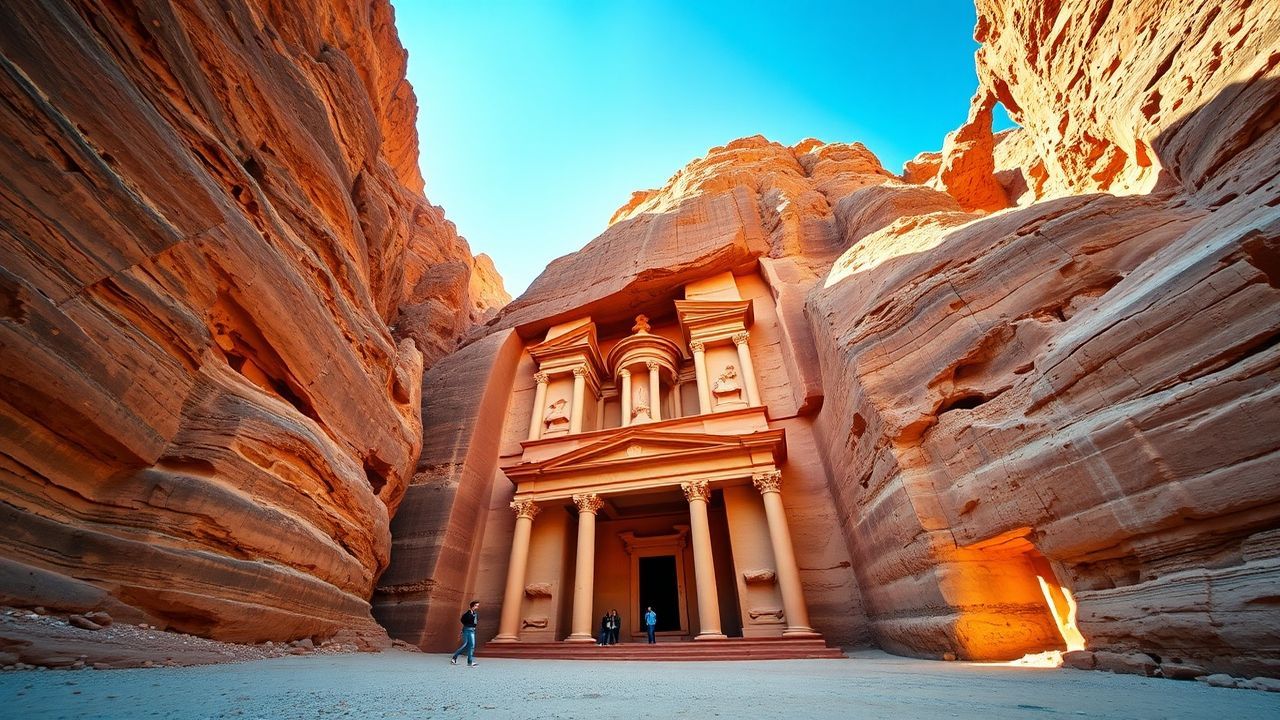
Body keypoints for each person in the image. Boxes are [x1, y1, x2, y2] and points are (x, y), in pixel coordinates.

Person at [450, 600, 480, 667]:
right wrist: (467, 626)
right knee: (467, 645)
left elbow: (476, 621)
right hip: (468, 630)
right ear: (472, 606)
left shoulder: (474, 614)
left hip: (471, 630)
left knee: (470, 645)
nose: (477, 607)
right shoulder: (467, 614)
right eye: (476, 606)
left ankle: (468, 662)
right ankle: (455, 658)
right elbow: (463, 620)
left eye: (477, 606)